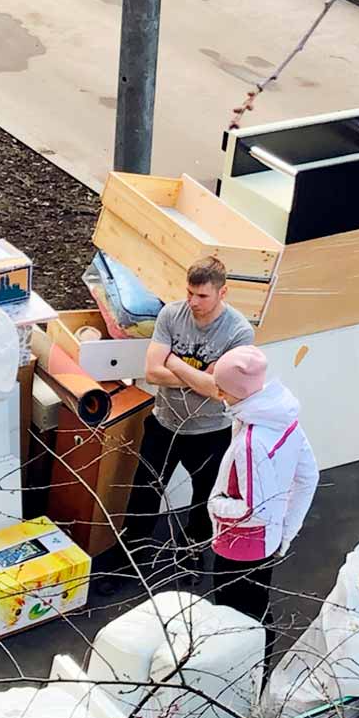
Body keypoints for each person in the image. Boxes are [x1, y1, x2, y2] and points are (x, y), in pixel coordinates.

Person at [120, 255, 255, 582]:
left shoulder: (238, 332)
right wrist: (198, 376)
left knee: (204, 498)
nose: (193, 302)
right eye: (190, 293)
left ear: (223, 293)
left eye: (202, 296)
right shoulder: (171, 314)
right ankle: (132, 556)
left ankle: (193, 551)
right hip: (164, 423)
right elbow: (153, 373)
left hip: (210, 431)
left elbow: (216, 388)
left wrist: (176, 363)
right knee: (144, 490)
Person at [203, 347, 318, 622]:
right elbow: (309, 477)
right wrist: (286, 531)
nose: (219, 394)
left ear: (236, 390)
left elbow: (255, 509)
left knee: (234, 618)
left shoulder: (251, 443)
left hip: (239, 545)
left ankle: (248, 663)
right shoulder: (283, 419)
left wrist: (215, 505)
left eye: (222, 388)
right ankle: (262, 663)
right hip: (268, 541)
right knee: (258, 609)